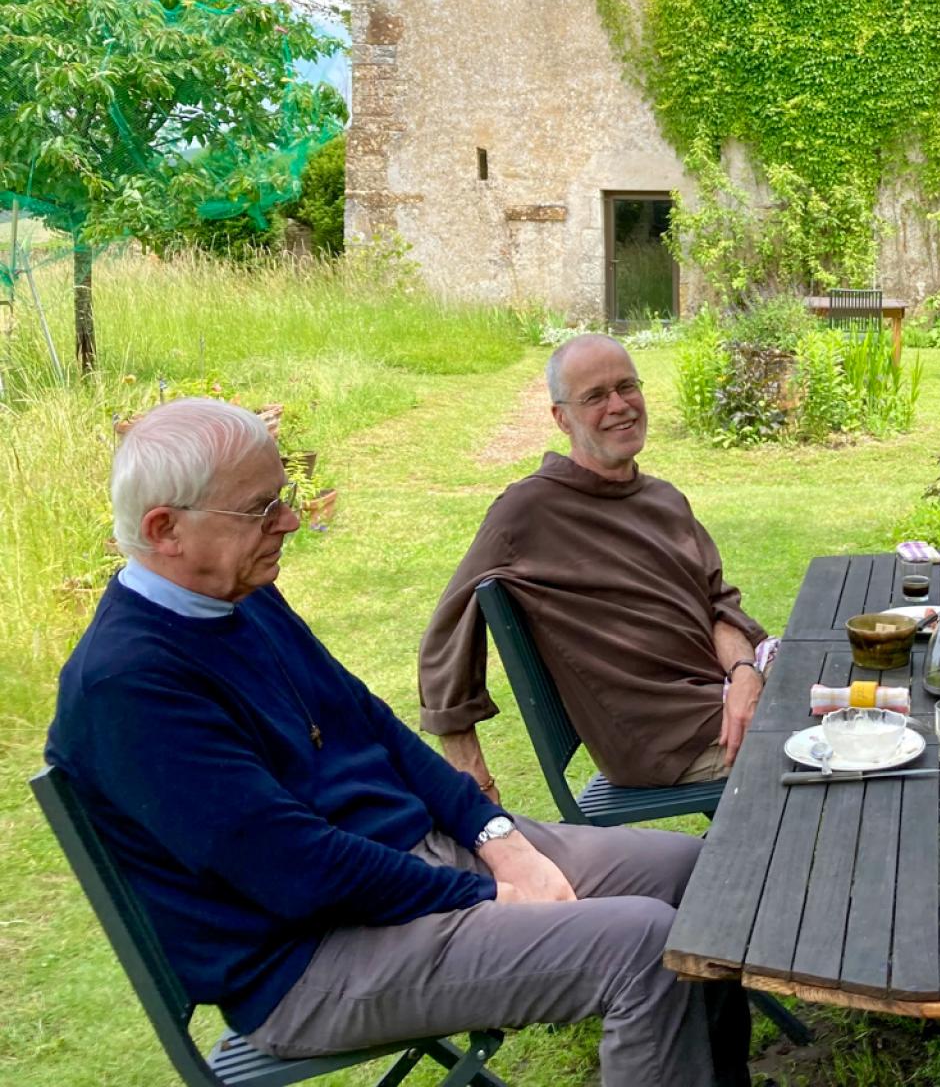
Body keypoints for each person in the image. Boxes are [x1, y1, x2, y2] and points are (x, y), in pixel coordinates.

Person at [45, 398, 745, 1085]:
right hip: (308, 958)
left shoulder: (241, 597)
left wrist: (495, 834)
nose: (289, 520)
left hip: (410, 862)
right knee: (646, 948)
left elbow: (370, 721)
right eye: (261, 509)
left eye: (283, 497)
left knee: (698, 875)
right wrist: (484, 894)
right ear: (166, 529)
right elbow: (296, 869)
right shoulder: (128, 684)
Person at [421, 334, 770, 796]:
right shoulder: (529, 511)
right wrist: (474, 784)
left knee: (853, 684)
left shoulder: (663, 499)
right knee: (845, 742)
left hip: (722, 695)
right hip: (667, 737)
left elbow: (717, 606)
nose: (619, 405)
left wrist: (744, 671)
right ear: (561, 417)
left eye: (627, 386)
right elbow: (444, 636)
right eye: (595, 396)